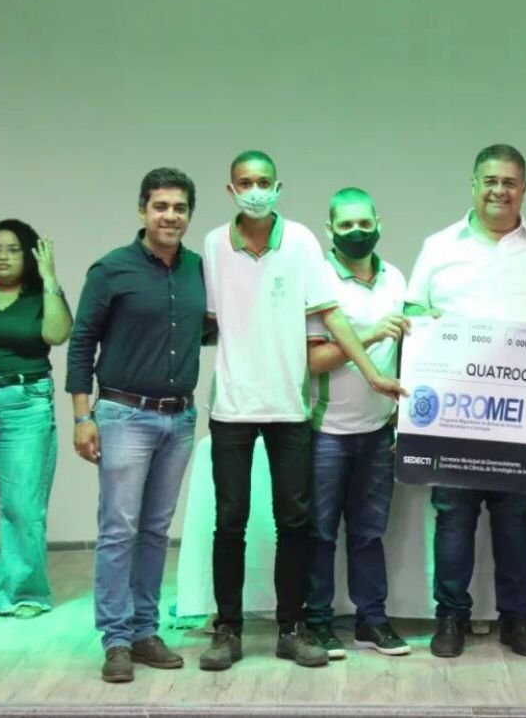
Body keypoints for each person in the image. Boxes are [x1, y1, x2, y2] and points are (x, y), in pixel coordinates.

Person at [198, 151, 403, 672]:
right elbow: (208, 321)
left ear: (278, 186)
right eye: (245, 182)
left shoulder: (303, 242)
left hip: (290, 406)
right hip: (232, 407)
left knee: (294, 522)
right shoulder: (214, 245)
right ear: (231, 190)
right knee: (230, 522)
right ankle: (227, 629)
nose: (255, 190)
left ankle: (292, 629)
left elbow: (331, 316)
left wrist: (373, 374)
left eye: (263, 181)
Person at [405, 143, 526, 658]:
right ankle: (450, 618)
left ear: (524, 188)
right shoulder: (439, 246)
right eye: (490, 180)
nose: (499, 190)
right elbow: (412, 313)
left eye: (510, 182)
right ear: (474, 184)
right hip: (454, 415)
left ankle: (515, 619)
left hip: (522, 418)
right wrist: (424, 325)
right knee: (453, 518)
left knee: (514, 519)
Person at [66, 168, 205, 683]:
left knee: (154, 530)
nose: (170, 216)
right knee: (118, 530)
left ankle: (145, 631)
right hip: (124, 415)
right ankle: (116, 639)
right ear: (143, 210)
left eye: (180, 208)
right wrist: (83, 415)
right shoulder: (111, 270)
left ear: (189, 214)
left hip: (180, 418)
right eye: (160, 206)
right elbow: (82, 343)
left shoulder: (199, 270)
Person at [303, 187, 411, 658]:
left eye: (364, 223)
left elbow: (410, 350)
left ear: (379, 222)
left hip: (379, 431)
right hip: (326, 432)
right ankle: (318, 622)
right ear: (329, 229)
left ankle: (372, 620)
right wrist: (366, 335)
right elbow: (311, 361)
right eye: (345, 225)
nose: (356, 232)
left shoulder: (396, 278)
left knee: (369, 534)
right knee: (320, 534)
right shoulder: (318, 278)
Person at [0, 220, 70, 620]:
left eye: (13, 249)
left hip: (25, 403)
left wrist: (50, 278)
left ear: (29, 255)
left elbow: (57, 334)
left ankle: (24, 594)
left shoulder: (40, 296)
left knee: (22, 506)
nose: (3, 256)